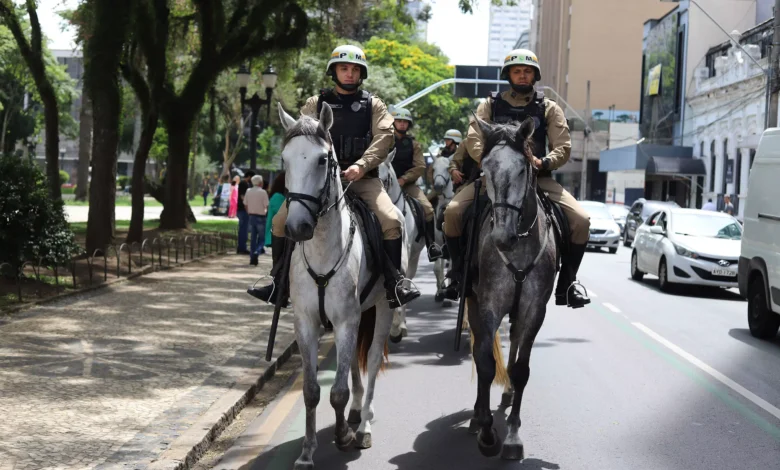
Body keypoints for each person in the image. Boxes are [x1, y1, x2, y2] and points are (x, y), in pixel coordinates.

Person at [248, 45, 420, 309]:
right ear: (334, 71)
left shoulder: (374, 105)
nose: (349, 74)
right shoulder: (314, 104)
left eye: (354, 69)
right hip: (320, 182)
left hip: (363, 179)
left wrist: (361, 166)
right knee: (281, 221)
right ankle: (278, 283)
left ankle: (394, 284)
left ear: (361, 73)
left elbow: (384, 137)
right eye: (344, 68)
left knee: (392, 219)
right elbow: (301, 139)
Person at [442, 48, 592, 309]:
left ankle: (568, 283)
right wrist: (489, 162)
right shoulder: (489, 104)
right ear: (508, 74)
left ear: (534, 75)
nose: (522, 75)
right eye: (517, 71)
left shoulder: (549, 108)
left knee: (581, 221)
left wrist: (542, 162)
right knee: (453, 213)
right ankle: (457, 276)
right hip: (495, 180)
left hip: (537, 178)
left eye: (527, 71)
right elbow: (473, 137)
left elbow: (563, 147)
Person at [390, 108, 443, 261]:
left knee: (428, 209)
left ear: (409, 125)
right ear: (393, 123)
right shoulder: (384, 141)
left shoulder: (414, 144)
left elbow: (419, 166)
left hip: (407, 185)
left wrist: (404, 179)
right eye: (399, 121)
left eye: (405, 122)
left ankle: (431, 245)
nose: (401, 124)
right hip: (384, 184)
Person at [245, 174, 270, 265]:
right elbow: (267, 205)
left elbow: (246, 204)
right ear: (260, 183)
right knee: (262, 238)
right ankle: (258, 251)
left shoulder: (248, 191)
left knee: (253, 238)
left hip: (251, 216)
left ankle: (252, 258)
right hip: (261, 217)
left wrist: (249, 212)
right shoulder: (263, 192)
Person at [265, 172, 286, 247]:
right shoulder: (277, 197)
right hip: (277, 235)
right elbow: (284, 213)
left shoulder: (278, 196)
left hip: (278, 235)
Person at [236, 170, 255, 254]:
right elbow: (242, 197)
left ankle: (242, 246)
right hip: (243, 209)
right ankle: (241, 247)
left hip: (244, 209)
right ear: (249, 176)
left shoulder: (246, 184)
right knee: (243, 228)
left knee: (244, 228)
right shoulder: (243, 184)